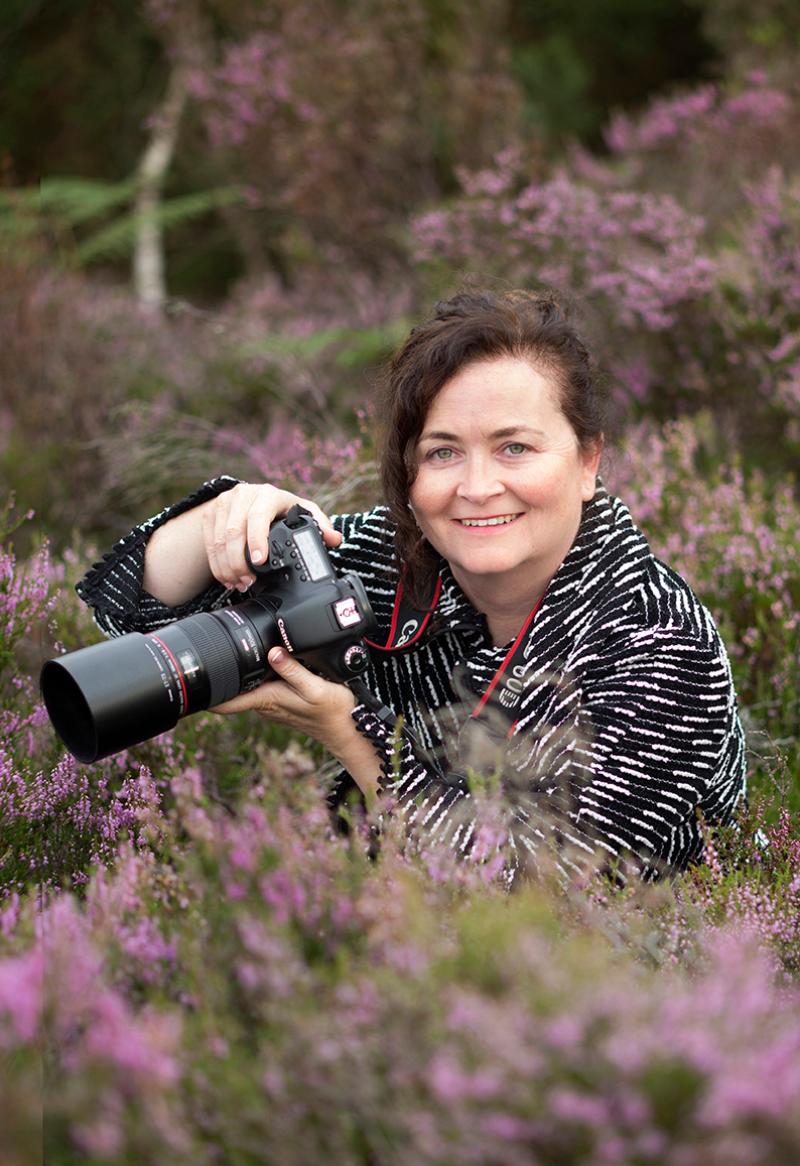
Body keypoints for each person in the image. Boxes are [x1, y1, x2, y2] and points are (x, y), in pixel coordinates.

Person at [76, 289, 746, 884]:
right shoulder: (395, 554)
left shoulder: (659, 645)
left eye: (516, 447)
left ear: (587, 461)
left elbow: (541, 893)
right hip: (383, 914)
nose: (477, 487)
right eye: (442, 452)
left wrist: (352, 736)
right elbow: (129, 607)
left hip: (621, 976)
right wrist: (222, 524)